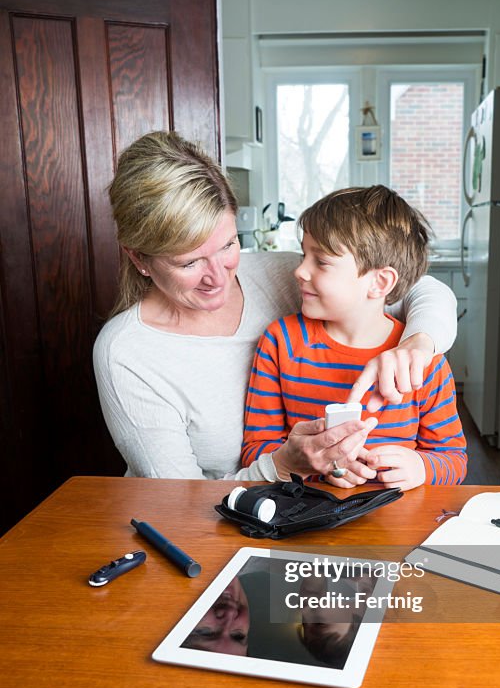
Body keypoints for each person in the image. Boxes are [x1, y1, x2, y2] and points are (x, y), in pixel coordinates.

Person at [93, 131, 458, 482]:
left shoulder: (283, 275)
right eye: (190, 262)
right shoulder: (127, 353)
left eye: (228, 245)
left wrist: (419, 345)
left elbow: (416, 285)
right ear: (140, 259)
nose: (218, 276)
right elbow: (179, 500)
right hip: (219, 520)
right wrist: (287, 465)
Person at [241, 186, 467, 490]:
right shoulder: (280, 342)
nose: (299, 271)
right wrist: (311, 467)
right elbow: (255, 451)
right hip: (304, 515)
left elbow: (453, 458)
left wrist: (422, 467)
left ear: (380, 282)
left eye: (320, 261)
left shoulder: (421, 362)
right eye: (303, 254)